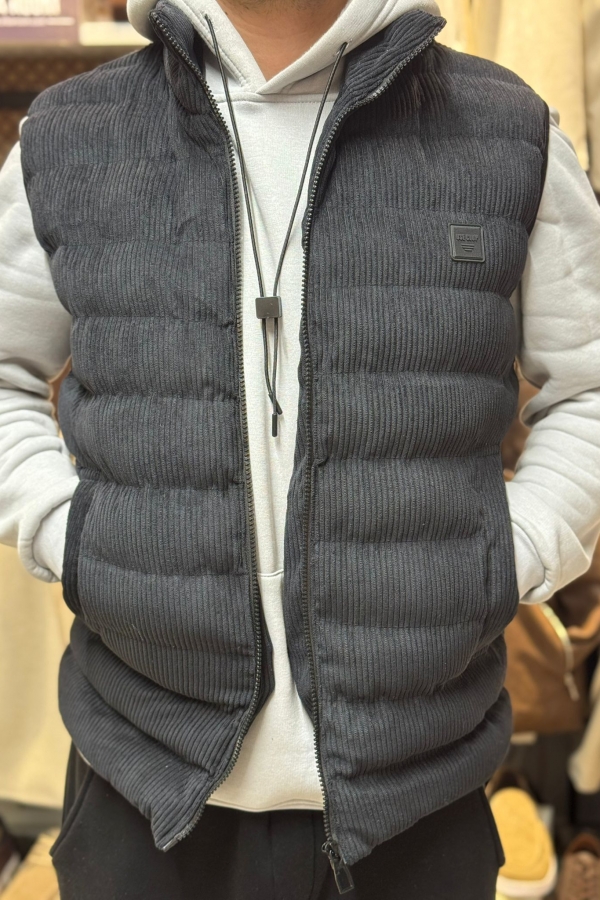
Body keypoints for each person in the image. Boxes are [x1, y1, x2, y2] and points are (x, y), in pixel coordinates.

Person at [1, 0, 600, 897]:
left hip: (420, 798)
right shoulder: (68, 138)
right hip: (143, 788)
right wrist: (71, 535)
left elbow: (588, 387)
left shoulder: (509, 131)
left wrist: (507, 555)